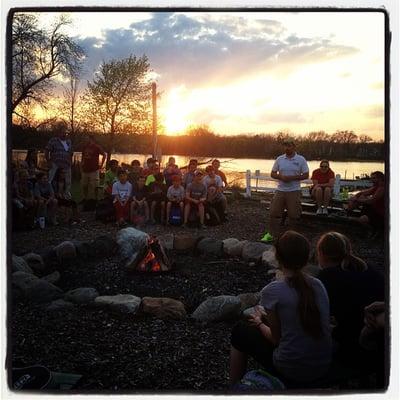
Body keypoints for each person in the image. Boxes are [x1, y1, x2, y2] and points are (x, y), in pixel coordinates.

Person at [229, 231, 332, 386]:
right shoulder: (318, 285)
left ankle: (233, 388)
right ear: (306, 259)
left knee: (239, 331)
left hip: (291, 368)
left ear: (278, 258)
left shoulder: (272, 291)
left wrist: (259, 323)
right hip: (323, 364)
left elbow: (276, 339)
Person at [316, 232, 384, 364]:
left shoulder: (327, 278)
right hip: (382, 340)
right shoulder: (368, 268)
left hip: (355, 345)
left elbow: (319, 315)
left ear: (321, 254)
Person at [268, 140, 309, 239]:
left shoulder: (301, 159)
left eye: (289, 146)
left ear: (294, 147)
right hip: (280, 190)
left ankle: (292, 237)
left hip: (294, 190)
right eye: (285, 146)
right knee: (273, 213)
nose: (287, 148)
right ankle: (271, 235)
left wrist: (291, 178)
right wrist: (280, 177)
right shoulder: (280, 159)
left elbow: (306, 175)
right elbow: (272, 173)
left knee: (294, 215)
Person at [44, 121, 73, 193]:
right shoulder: (53, 140)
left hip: (66, 164)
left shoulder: (68, 141)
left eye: (65, 132)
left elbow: (70, 153)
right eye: (62, 132)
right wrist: (48, 161)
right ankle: (50, 192)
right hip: (55, 163)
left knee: (67, 181)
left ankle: (66, 194)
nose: (64, 134)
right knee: (51, 179)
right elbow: (47, 151)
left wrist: (70, 161)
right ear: (59, 133)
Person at [80, 134, 106, 209]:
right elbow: (83, 157)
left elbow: (104, 155)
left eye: (86, 138)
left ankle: (96, 199)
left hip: (94, 170)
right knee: (84, 185)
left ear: (91, 139)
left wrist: (101, 166)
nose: (85, 140)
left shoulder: (96, 147)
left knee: (95, 186)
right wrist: (81, 166)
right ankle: (85, 199)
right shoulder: (84, 147)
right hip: (85, 170)